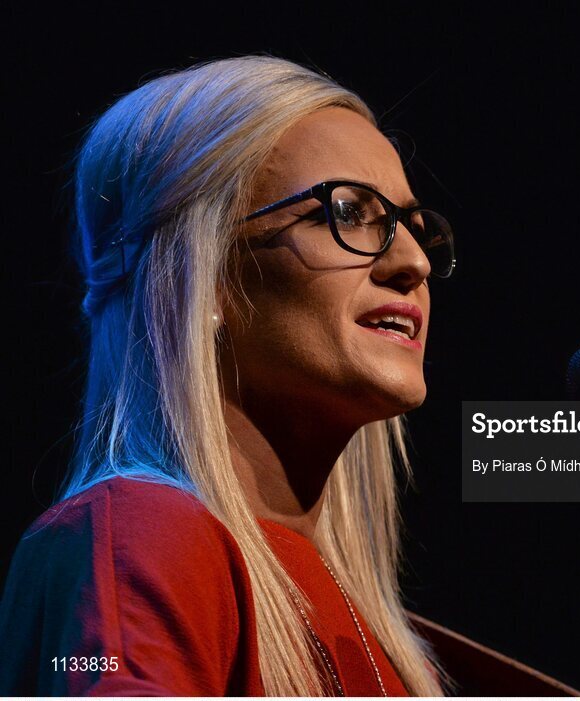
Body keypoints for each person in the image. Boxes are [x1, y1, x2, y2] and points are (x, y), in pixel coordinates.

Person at [0, 55, 456, 696]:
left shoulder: (359, 618)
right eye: (348, 213)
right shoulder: (139, 536)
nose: (412, 261)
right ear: (202, 274)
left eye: (410, 224)